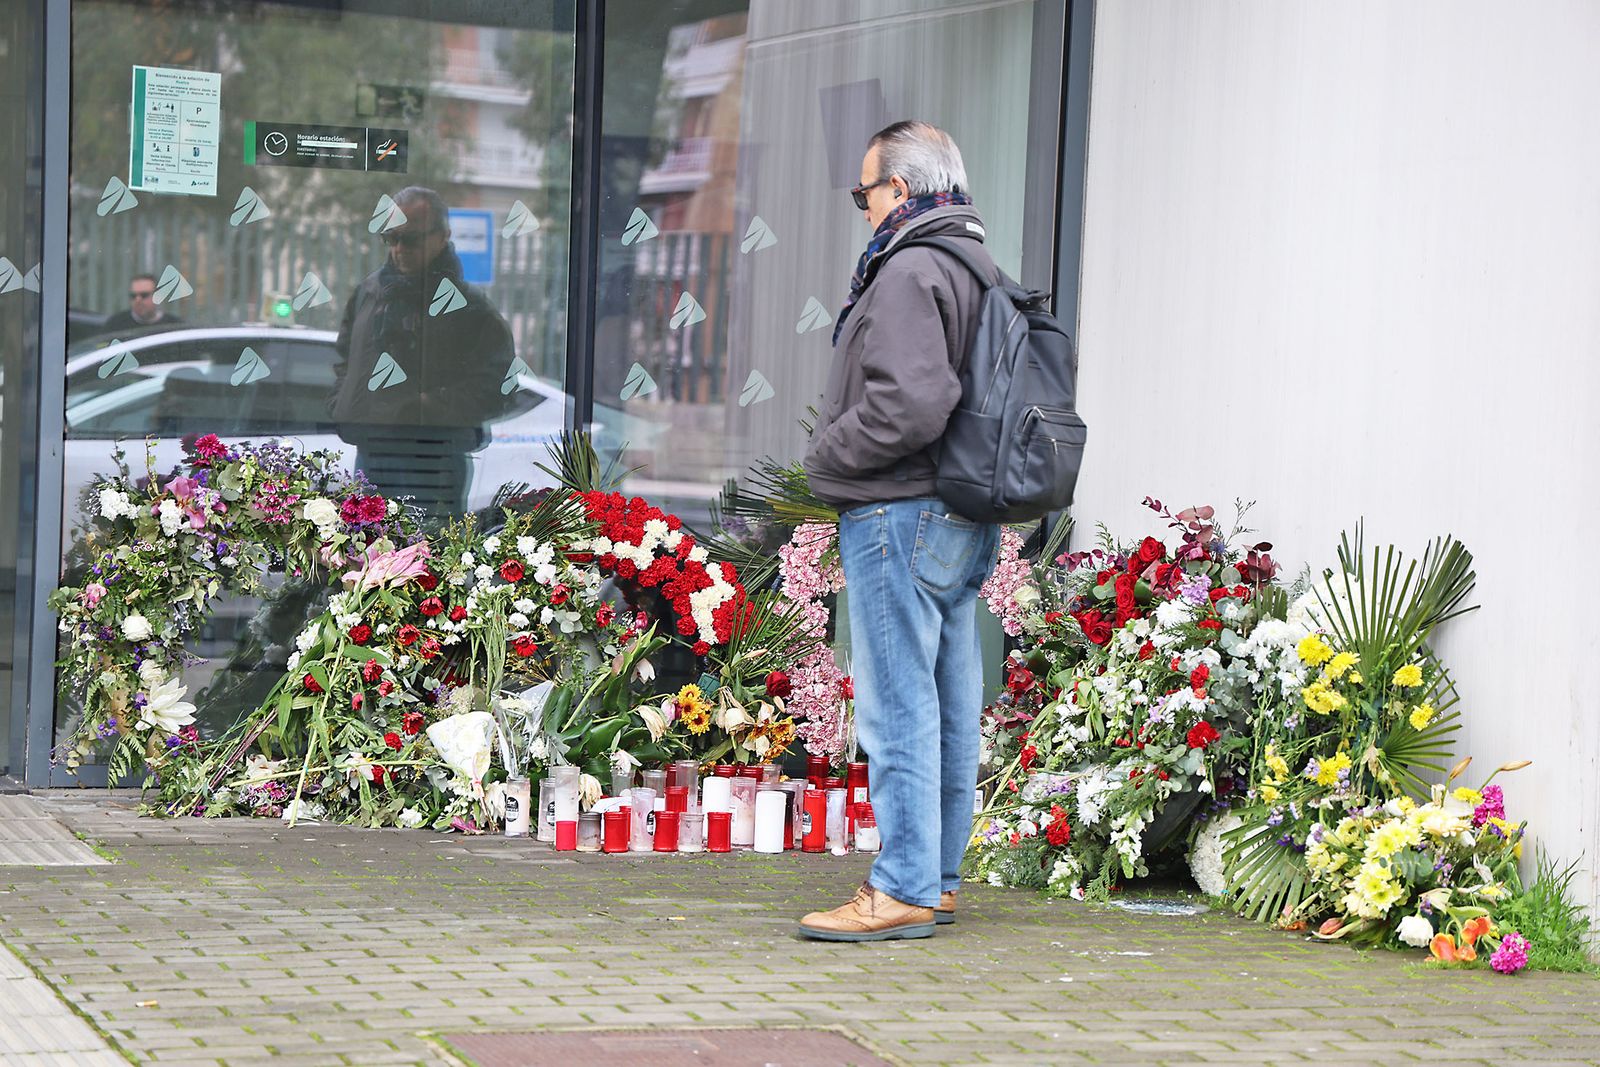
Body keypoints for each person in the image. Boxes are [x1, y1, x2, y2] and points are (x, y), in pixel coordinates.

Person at [799, 121, 1002, 942]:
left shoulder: (911, 265)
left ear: (903, 192)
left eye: (865, 192)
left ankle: (904, 884)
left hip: (898, 509)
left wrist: (826, 454)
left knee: (896, 704)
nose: (862, 208)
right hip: (956, 508)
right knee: (951, 699)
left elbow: (911, 404)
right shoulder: (972, 264)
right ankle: (937, 878)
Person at [328, 186, 515, 519]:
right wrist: (344, 402)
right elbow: (345, 357)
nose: (400, 249)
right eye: (391, 239)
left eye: (411, 239)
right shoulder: (370, 292)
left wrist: (427, 406)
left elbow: (496, 384)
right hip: (371, 452)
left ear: (442, 236)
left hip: (432, 461)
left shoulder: (469, 307)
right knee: (365, 562)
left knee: (427, 561)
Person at [101, 272, 183, 334]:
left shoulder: (174, 326)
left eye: (144, 295)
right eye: (133, 296)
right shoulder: (115, 325)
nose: (138, 300)